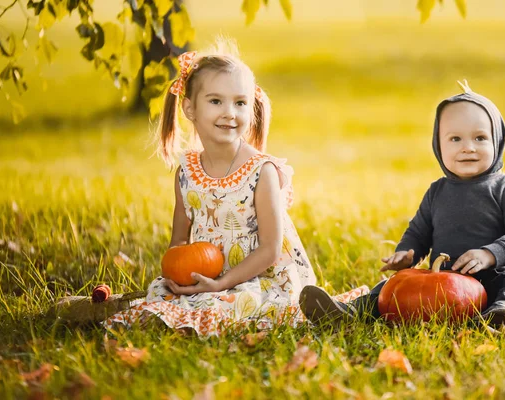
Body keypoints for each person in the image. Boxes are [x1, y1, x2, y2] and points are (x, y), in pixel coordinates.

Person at [104, 39, 364, 337]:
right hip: (208, 276)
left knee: (236, 303)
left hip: (261, 278)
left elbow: (269, 250)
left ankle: (204, 312)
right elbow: (179, 242)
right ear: (190, 108)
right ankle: (189, 310)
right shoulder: (187, 173)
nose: (230, 113)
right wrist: (181, 275)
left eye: (239, 103)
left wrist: (220, 284)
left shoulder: (261, 172)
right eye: (216, 101)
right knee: (163, 294)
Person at [299, 82, 505, 328]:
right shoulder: (437, 191)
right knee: (391, 285)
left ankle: (502, 311)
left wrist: (490, 254)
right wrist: (407, 253)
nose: (468, 147)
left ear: (498, 141)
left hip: (492, 280)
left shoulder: (503, 187)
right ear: (439, 146)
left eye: (480, 138)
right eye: (455, 139)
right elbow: (419, 232)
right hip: (442, 287)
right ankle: (350, 312)